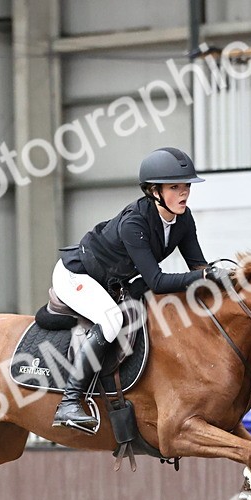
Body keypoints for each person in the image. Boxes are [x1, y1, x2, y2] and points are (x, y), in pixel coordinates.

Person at [49, 146, 229, 432]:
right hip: (77, 275)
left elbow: (197, 267)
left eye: (186, 186)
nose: (184, 193)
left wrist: (223, 283)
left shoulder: (183, 219)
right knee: (112, 320)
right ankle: (69, 403)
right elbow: (157, 281)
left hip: (113, 281)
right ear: (154, 191)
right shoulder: (134, 222)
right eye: (174, 187)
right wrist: (204, 276)